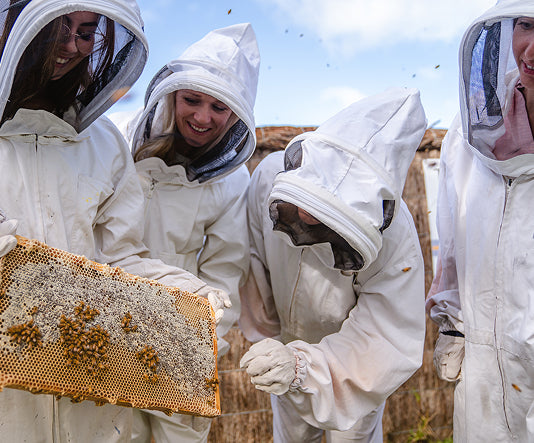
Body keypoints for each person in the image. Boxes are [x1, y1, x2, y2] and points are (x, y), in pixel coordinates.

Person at [0, 0, 230, 441]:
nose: (71, 46)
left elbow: (120, 258)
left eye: (86, 31)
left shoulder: (105, 141)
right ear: (19, 24)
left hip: (84, 394)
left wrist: (180, 293)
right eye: (58, 26)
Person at [239, 88, 427, 443]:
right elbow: (255, 261)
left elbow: (384, 336)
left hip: (353, 366)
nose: (307, 216)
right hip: (286, 345)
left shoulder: (397, 238)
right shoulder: (267, 176)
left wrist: (302, 368)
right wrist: (271, 343)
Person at [120, 23, 260, 443]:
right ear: (171, 95)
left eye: (219, 107)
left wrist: (197, 345)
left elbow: (223, 272)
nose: (202, 117)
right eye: (192, 100)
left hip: (181, 338)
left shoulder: (233, 181)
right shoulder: (117, 142)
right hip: (106, 314)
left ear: (237, 112)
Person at [425, 1, 534, 441]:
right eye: (526, 25)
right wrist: (451, 321)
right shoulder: (469, 130)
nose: (532, 51)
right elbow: (451, 237)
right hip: (485, 376)